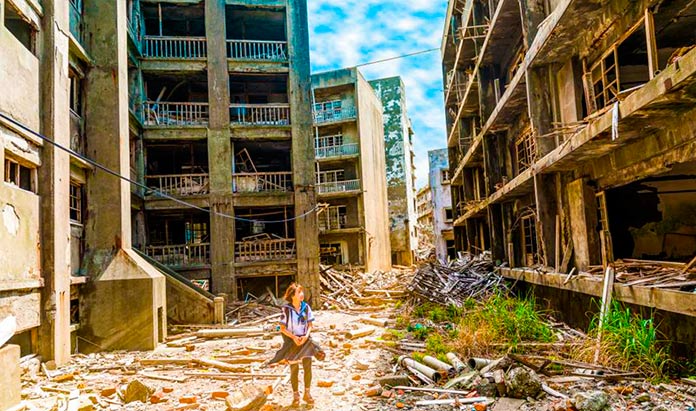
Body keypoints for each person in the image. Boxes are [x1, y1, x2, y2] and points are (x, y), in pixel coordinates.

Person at [268, 283, 324, 407]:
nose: (302, 294)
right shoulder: (286, 310)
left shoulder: (306, 308)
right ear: (293, 295)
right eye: (299, 292)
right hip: (292, 342)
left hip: (305, 341)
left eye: (302, 292)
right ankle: (296, 395)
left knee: (307, 367)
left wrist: (305, 337)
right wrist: (294, 338)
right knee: (294, 369)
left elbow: (310, 325)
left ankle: (307, 393)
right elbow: (282, 328)